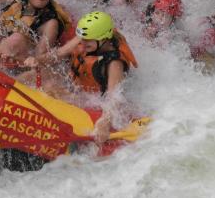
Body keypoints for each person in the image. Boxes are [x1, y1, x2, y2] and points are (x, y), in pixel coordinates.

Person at [24, 11, 138, 142]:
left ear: (103, 38)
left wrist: (104, 123)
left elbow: (114, 98)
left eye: (87, 41)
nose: (82, 43)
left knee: (50, 88)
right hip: (76, 81)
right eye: (82, 39)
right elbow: (59, 53)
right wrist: (37, 60)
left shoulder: (114, 63)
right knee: (32, 75)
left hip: (92, 99)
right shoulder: (89, 36)